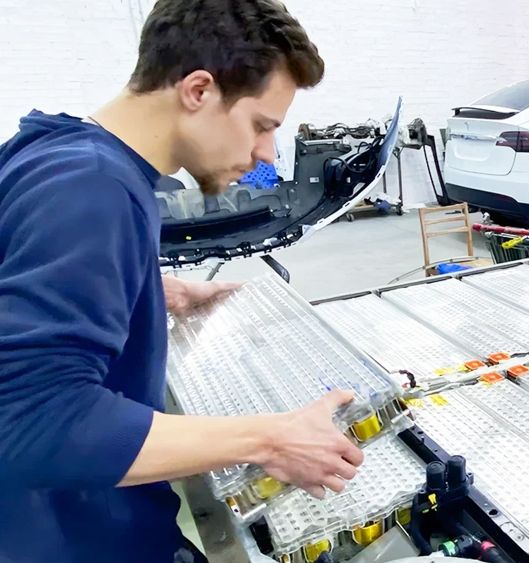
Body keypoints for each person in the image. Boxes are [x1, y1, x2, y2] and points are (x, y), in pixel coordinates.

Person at [0, 2, 365, 562]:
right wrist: (270, 439)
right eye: (261, 125)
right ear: (198, 90)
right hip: (73, 539)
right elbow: (33, 421)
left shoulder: (55, 150)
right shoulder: (93, 190)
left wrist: (153, 293)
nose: (265, 154)